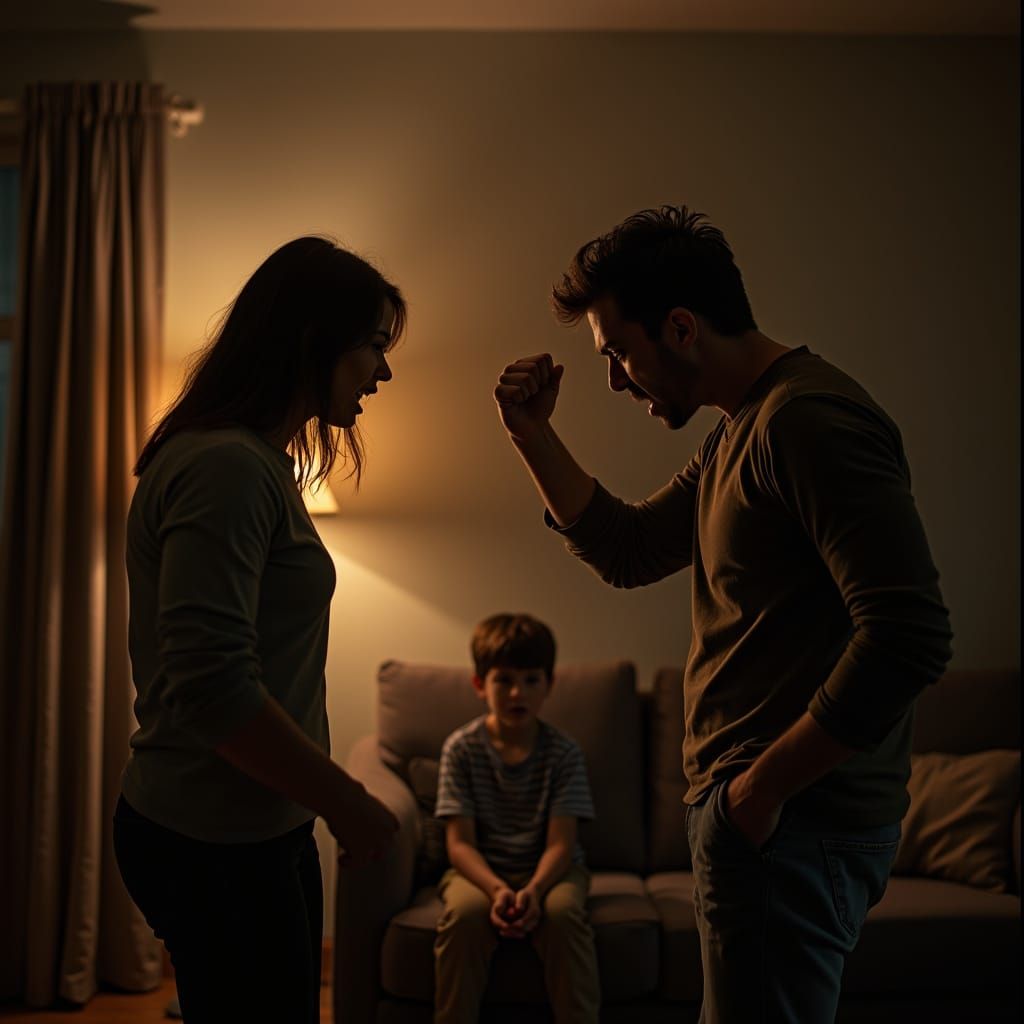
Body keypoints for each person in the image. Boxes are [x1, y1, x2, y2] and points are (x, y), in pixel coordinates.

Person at [493, 207, 953, 1023]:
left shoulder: (806, 421)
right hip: (763, 822)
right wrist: (531, 436)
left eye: (618, 354)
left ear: (680, 328)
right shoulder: (739, 431)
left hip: (788, 823)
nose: (614, 380)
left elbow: (908, 635)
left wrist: (757, 794)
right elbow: (629, 550)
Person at [113, 236, 405, 1024]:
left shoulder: (258, 465)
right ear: (312, 341)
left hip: (249, 831)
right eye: (374, 345)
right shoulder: (227, 469)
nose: (382, 372)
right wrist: (345, 800)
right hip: (213, 842)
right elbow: (211, 687)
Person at [433, 613, 600, 1024]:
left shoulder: (563, 753)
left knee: (562, 917)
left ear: (549, 684)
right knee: (463, 918)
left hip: (552, 871)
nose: (516, 693)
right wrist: (496, 890)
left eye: (530, 680)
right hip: (480, 870)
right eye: (503, 680)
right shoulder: (460, 749)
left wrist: (535, 890)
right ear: (480, 684)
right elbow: (460, 844)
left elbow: (561, 843)